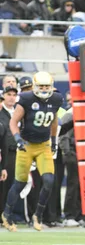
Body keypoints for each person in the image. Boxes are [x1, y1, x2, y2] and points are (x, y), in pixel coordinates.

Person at [1, 72, 61, 232]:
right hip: (26, 145)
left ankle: (38, 215)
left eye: (46, 86)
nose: (43, 89)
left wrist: (54, 140)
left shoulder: (56, 99)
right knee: (19, 183)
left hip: (43, 145)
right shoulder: (27, 99)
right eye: (41, 86)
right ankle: (7, 215)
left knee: (48, 181)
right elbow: (13, 122)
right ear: (35, 86)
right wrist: (18, 139)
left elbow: (54, 120)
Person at [0, 86, 17, 216]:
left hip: (19, 152)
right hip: (6, 153)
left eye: (13, 95)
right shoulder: (1, 114)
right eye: (9, 94)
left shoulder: (19, 112)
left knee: (16, 184)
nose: (11, 97)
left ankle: (11, 214)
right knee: (4, 185)